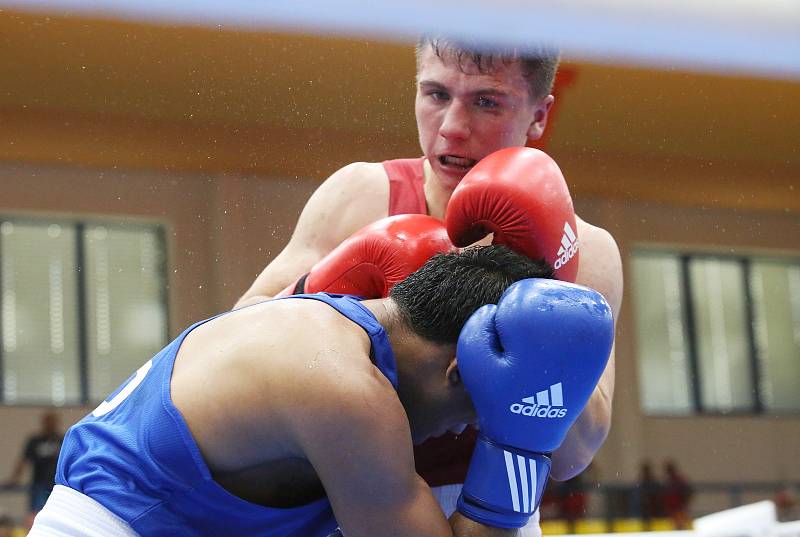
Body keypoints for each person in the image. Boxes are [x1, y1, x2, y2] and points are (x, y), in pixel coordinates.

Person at [235, 35, 624, 536]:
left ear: (539, 115)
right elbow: (240, 332)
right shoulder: (363, 196)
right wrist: (329, 287)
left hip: (491, 502)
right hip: (341, 492)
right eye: (436, 95)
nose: (453, 127)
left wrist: (543, 304)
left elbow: (575, 454)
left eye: (487, 101)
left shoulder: (585, 250)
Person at [29, 244, 615, 536]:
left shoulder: (333, 324)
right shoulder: (344, 391)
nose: (465, 431)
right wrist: (520, 446)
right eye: (476, 415)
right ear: (457, 373)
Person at [4, 411, 63, 517]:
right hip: (38, 483)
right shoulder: (35, 440)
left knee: (57, 513)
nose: (51, 424)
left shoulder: (61, 440)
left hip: (56, 484)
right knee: (36, 514)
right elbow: (24, 460)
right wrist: (15, 478)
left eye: (53, 421)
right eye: (48, 421)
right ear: (44, 423)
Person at [662, 460, 692, 530]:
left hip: (678, 508)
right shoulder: (667, 482)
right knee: (674, 527)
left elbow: (688, 492)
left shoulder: (679, 480)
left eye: (669, 469)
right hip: (671, 509)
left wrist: (684, 503)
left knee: (680, 526)